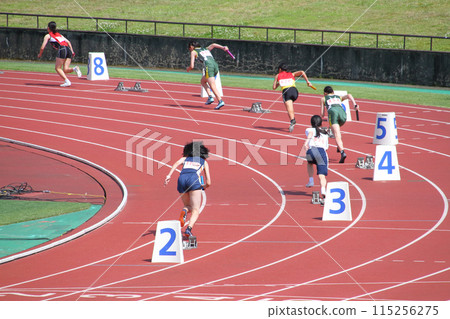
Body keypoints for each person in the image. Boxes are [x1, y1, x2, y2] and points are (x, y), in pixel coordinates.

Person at [164, 141, 211, 237]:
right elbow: (209, 182)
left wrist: (169, 175)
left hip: (181, 179)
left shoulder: (185, 159)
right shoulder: (204, 162)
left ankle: (185, 211)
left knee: (188, 205)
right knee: (196, 210)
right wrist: (204, 187)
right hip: (193, 180)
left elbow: (176, 163)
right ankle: (188, 229)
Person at [320, 86, 359, 163]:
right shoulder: (338, 97)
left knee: (337, 134)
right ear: (333, 92)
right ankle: (338, 146)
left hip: (333, 113)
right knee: (336, 131)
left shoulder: (323, 98)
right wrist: (355, 104)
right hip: (343, 114)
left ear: (325, 93)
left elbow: (322, 114)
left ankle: (342, 152)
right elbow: (349, 95)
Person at [273, 63, 314, 133]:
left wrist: (279, 83)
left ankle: (292, 120)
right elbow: (302, 72)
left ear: (280, 69)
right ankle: (292, 120)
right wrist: (307, 81)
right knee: (290, 103)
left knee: (289, 108)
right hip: (295, 92)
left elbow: (274, 87)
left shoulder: (278, 75)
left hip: (287, 92)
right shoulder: (292, 74)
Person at [38, 21, 82, 87]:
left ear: (48, 28)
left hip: (62, 49)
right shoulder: (59, 35)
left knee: (57, 68)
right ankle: (75, 68)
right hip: (68, 49)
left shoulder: (48, 36)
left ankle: (67, 81)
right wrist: (72, 51)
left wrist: (40, 54)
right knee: (65, 70)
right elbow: (68, 42)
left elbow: (42, 47)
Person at [186, 41, 228, 110]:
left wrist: (188, 69)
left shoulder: (193, 52)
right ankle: (210, 97)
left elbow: (192, 66)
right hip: (215, 65)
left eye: (189, 48)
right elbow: (213, 45)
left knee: (212, 85)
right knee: (203, 81)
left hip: (209, 66)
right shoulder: (205, 49)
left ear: (191, 47)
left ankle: (220, 100)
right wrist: (223, 47)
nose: (189, 50)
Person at [302, 115, 330, 203]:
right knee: (322, 175)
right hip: (321, 152)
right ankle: (323, 190)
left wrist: (306, 143)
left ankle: (311, 181)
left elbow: (310, 133)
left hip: (311, 151)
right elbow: (326, 148)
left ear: (311, 123)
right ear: (321, 123)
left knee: (310, 163)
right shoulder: (325, 134)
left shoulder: (309, 129)